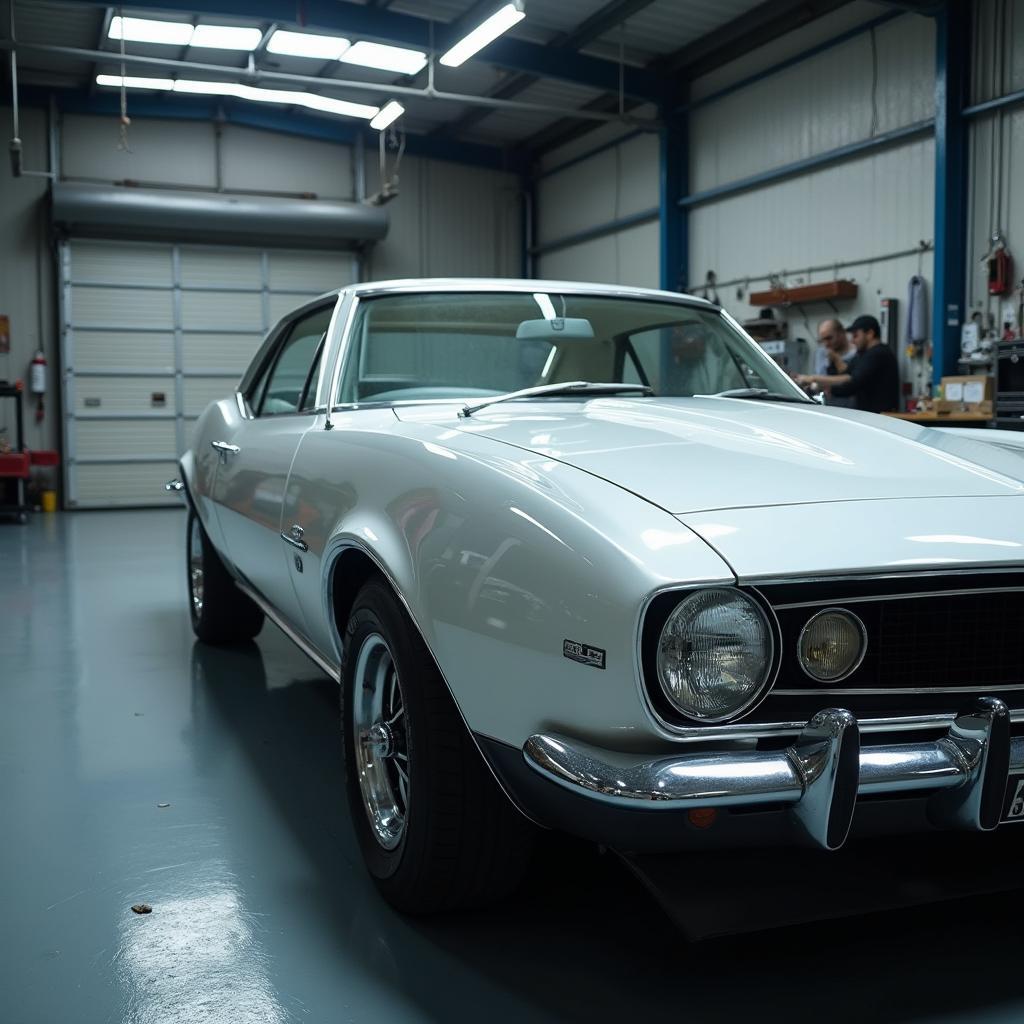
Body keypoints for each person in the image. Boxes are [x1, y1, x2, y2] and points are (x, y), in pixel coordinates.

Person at [798, 314, 899, 413]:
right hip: (869, 414)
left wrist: (813, 379)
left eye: (856, 336)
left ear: (870, 334)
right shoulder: (863, 355)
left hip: (880, 416)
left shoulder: (878, 354)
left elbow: (852, 381)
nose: (853, 341)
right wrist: (835, 362)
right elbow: (847, 374)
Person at [809, 318, 858, 407]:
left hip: (852, 406)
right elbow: (819, 380)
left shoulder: (856, 353)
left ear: (842, 333)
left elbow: (852, 381)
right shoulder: (821, 353)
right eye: (822, 340)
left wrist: (836, 360)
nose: (826, 344)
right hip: (828, 405)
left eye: (829, 338)